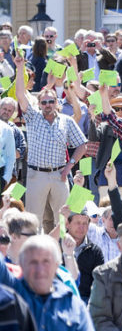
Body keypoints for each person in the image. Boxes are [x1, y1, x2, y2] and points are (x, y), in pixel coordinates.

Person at [14, 54, 87, 231]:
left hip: (59, 175)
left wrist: (70, 166)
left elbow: (82, 145)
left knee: (62, 219)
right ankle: (34, 254)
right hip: (36, 175)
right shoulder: (32, 117)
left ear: (56, 102)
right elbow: (20, 94)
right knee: (33, 220)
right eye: (44, 101)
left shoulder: (66, 120)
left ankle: (61, 254)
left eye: (51, 101)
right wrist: (19, 68)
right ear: (39, 104)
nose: (48, 104)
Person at [0, 234, 93, 330]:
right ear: (22, 265)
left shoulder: (73, 305)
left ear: (57, 265)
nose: (40, 269)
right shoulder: (12, 294)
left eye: (46, 262)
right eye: (33, 262)